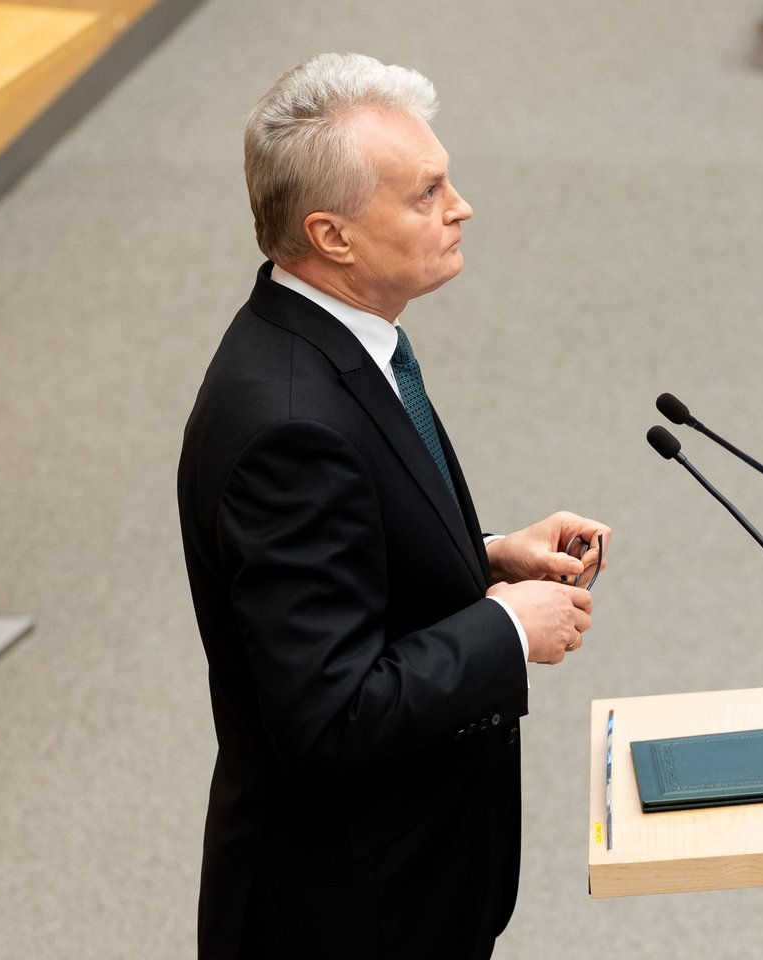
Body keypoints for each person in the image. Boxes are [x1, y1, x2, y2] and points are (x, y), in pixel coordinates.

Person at [177, 52, 610, 960]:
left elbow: (343, 553)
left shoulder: (336, 344)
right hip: (343, 916)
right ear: (332, 236)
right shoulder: (290, 426)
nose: (461, 207)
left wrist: (484, 554)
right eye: (426, 194)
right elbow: (329, 714)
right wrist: (506, 627)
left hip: (406, 887)